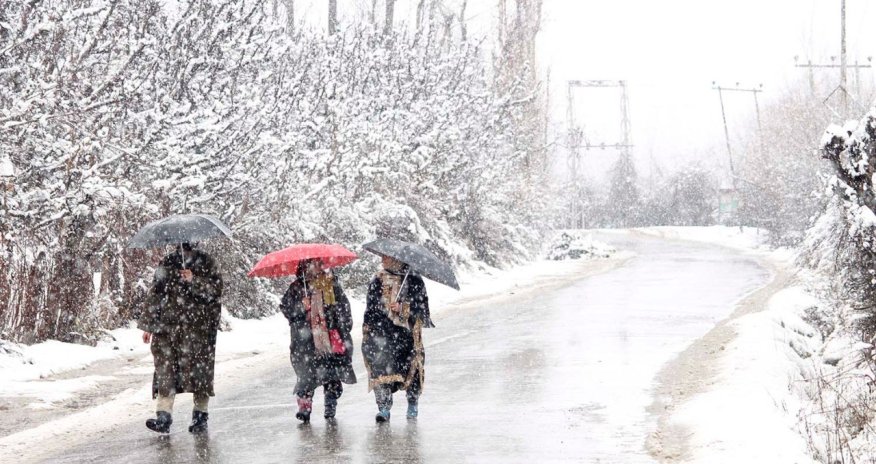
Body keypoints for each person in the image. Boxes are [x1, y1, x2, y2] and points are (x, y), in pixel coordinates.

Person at [138, 242, 223, 434]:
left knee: (200, 374)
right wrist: (148, 326)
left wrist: (195, 281)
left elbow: (216, 291)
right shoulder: (168, 262)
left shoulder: (207, 263)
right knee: (165, 369)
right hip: (168, 329)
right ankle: (163, 416)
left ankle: (200, 416)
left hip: (198, 330)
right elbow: (155, 294)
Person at [280, 259, 356, 423]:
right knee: (306, 374)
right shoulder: (296, 287)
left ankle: (330, 405)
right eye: (310, 265)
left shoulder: (331, 285)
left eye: (317, 264)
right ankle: (305, 407)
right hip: (305, 341)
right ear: (304, 267)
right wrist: (302, 306)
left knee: (331, 373)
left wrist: (336, 321)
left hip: (328, 338)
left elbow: (344, 309)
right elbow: (286, 309)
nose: (315, 268)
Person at [362, 255, 434, 422]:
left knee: (411, 369)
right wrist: (369, 327)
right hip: (383, 333)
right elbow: (371, 306)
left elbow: (422, 307)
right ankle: (384, 408)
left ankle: (412, 402)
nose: (382, 260)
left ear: (396, 259)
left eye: (386, 258)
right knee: (380, 368)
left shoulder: (414, 279)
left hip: (407, 335)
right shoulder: (378, 279)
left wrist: (403, 307)